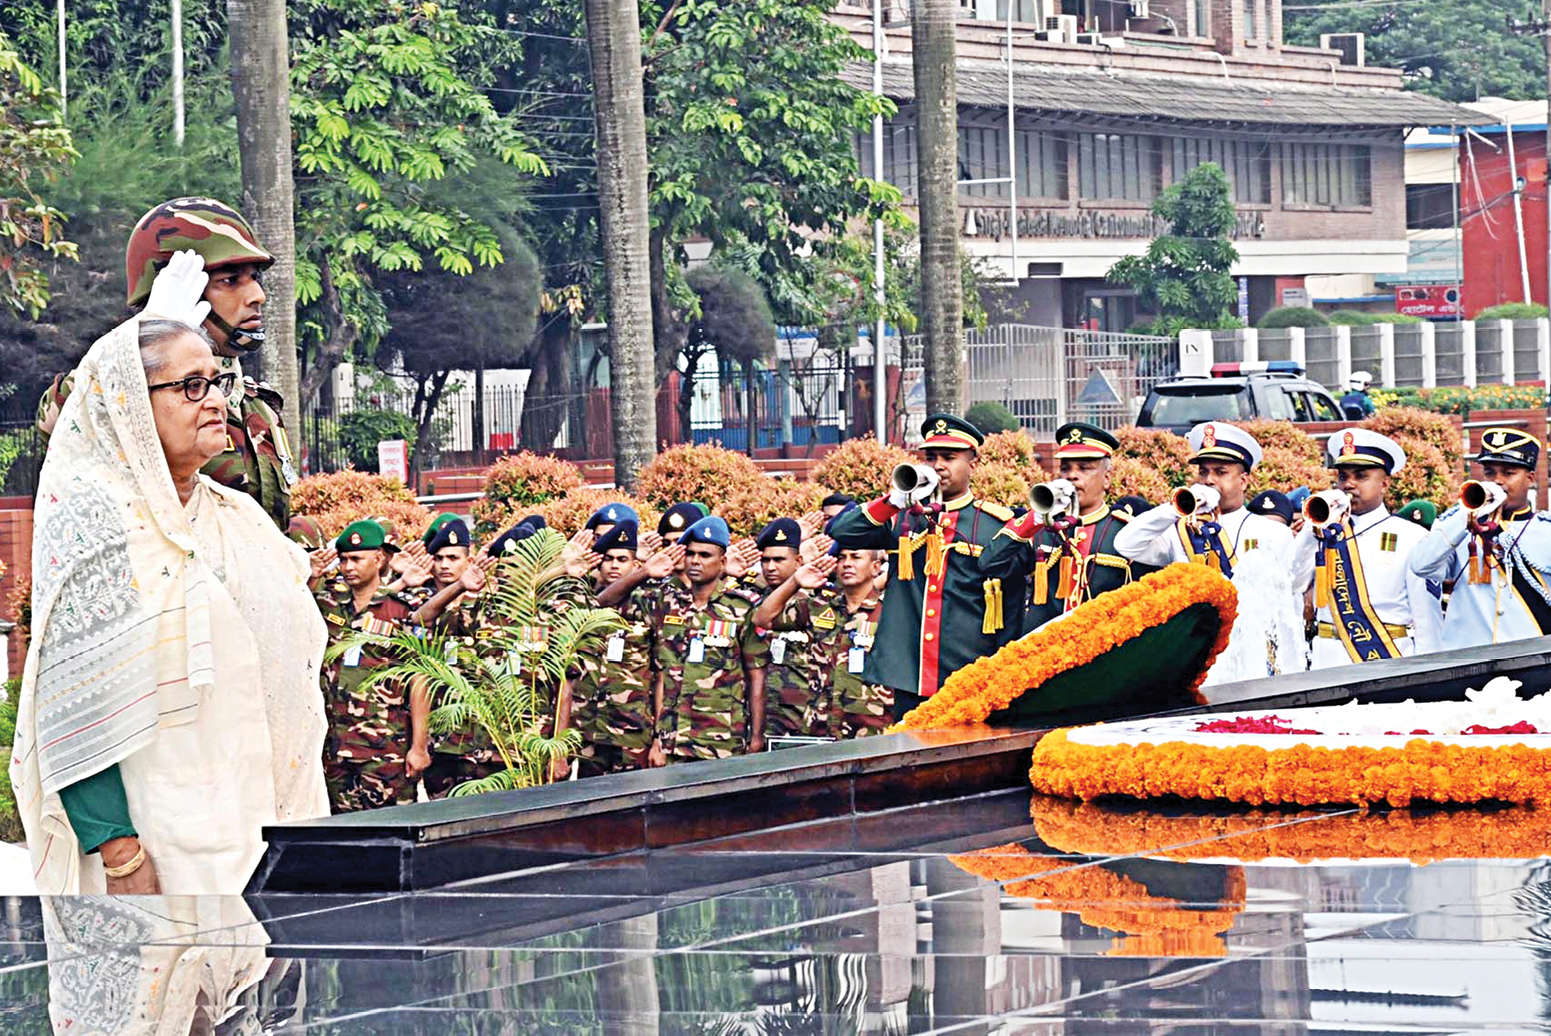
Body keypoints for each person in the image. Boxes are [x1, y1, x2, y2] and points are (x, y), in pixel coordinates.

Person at [13, 314, 328, 897]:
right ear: (130, 405)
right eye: (191, 386)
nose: (216, 402)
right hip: (162, 845)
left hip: (277, 829)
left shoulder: (241, 516)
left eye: (218, 382)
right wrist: (121, 855)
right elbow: (71, 708)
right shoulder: (104, 533)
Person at [38, 199, 299, 528]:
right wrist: (149, 331)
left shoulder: (257, 406)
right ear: (175, 288)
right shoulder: (142, 399)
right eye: (230, 280)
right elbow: (61, 416)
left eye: (255, 277)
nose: (257, 295)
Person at [830, 413, 1021, 718]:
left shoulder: (996, 524)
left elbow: (1010, 605)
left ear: (973, 462)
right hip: (911, 673)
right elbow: (842, 531)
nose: (938, 465)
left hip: (970, 672)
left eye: (949, 457)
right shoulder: (902, 517)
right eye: (931, 457)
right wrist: (895, 499)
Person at [1115, 422, 1305, 680]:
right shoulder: (1179, 530)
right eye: (1203, 472)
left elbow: (1289, 600)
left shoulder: (1271, 532)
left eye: (1220, 472)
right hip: (1195, 656)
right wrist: (1175, 508)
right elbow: (1126, 544)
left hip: (1250, 658)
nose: (1209, 480)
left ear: (1243, 480)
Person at [1294, 429, 1441, 668]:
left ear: (1384, 484)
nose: (1348, 484)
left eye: (1361, 476)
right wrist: (1312, 530)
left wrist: (1427, 670)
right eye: (1343, 477)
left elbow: (1426, 618)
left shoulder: (1412, 536)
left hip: (1387, 656)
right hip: (1327, 658)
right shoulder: (1323, 532)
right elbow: (1293, 584)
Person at [981, 422, 1142, 633]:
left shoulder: (1125, 531)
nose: (1072, 476)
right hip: (1043, 647)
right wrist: (1034, 519)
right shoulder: (1040, 529)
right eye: (1065, 468)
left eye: (1084, 468)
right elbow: (989, 564)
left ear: (1107, 479)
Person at [316, 519, 431, 812]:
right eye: (343, 560)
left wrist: (419, 747)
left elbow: (419, 680)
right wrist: (312, 576)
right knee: (340, 831)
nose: (348, 567)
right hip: (335, 749)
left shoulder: (403, 611)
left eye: (357, 559)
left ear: (379, 559)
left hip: (385, 749)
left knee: (391, 828)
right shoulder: (327, 604)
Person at [1409, 427, 1551, 650]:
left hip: (1529, 656)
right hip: (1469, 657)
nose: (1497, 481)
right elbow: (1420, 565)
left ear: (1530, 478)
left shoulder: (1545, 530)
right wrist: (1465, 515)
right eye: (1490, 473)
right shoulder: (1458, 525)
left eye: (1509, 473)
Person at [648, 516, 770, 761]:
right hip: (673, 740)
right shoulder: (668, 604)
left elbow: (756, 675)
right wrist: (657, 738)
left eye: (705, 555)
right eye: (690, 554)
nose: (695, 561)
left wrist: (757, 735)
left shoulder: (741, 608)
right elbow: (662, 675)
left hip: (721, 741)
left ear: (722, 562)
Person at [754, 549, 891, 738]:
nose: (847, 563)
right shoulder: (819, 607)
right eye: (841, 558)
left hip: (870, 730)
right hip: (820, 728)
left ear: (875, 567)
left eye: (855, 557)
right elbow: (762, 619)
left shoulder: (890, 611)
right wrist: (794, 581)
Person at [572, 519, 656, 777]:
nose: (614, 565)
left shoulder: (651, 602)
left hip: (631, 729)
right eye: (608, 559)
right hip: (589, 727)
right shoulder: (582, 601)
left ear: (636, 564)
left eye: (622, 559)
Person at [753, 517, 826, 739]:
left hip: (803, 718)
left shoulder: (817, 603)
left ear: (798, 561)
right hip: (759, 717)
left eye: (779, 560)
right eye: (765, 560)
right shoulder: (750, 597)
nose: (770, 567)